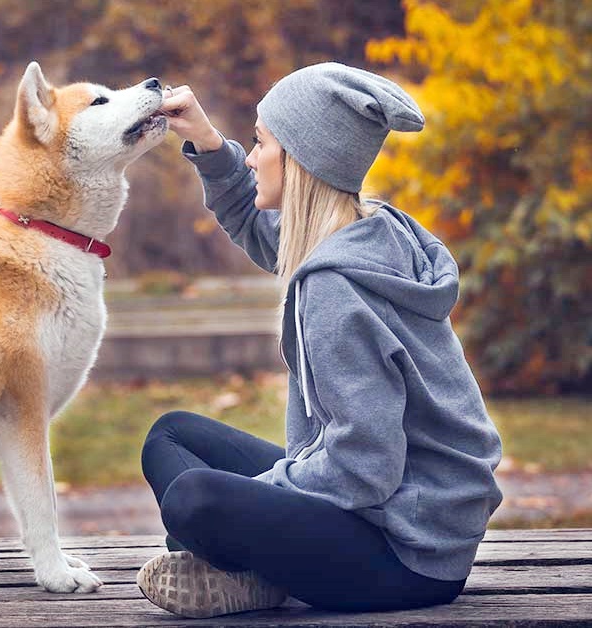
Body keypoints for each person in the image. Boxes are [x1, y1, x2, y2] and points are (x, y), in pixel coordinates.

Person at [136, 62, 505, 619]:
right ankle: (253, 567)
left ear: (301, 161)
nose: (253, 156)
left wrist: (252, 505)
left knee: (194, 501)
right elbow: (258, 228)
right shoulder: (369, 228)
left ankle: (252, 570)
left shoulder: (336, 289)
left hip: (406, 554)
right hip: (394, 514)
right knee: (170, 435)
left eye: (261, 144)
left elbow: (364, 467)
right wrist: (209, 144)